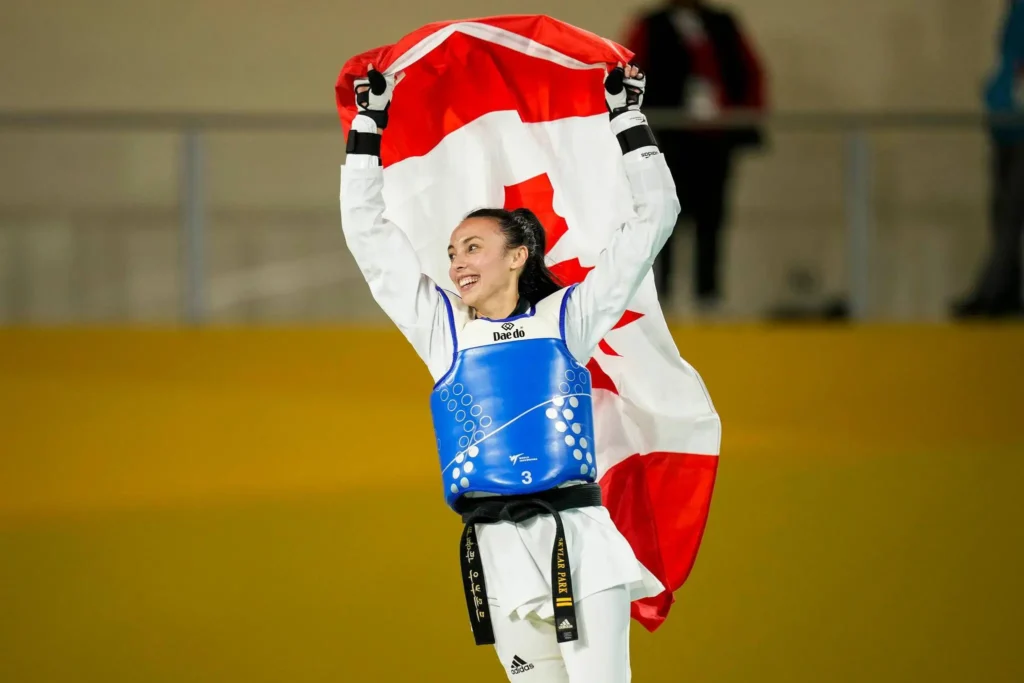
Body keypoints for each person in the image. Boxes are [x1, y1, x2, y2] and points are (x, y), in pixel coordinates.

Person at [340, 63, 678, 682]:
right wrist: (369, 126)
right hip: (494, 549)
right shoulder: (444, 333)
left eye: (473, 247)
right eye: (451, 252)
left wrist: (628, 119)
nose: (457, 262)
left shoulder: (568, 318)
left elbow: (654, 219)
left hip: (575, 540)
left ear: (518, 256)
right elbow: (368, 236)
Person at [623, 0, 766, 310]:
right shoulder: (651, 24)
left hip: (715, 140)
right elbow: (630, 75)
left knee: (711, 217)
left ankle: (708, 296)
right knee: (663, 219)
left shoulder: (723, 22)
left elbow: (750, 72)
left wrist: (744, 117)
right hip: (665, 139)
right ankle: (663, 297)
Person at [952, 0, 1024, 319]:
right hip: (1005, 123)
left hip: (1018, 123)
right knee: (1000, 210)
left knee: (1011, 212)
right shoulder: (1014, 10)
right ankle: (1005, 289)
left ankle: (992, 290)